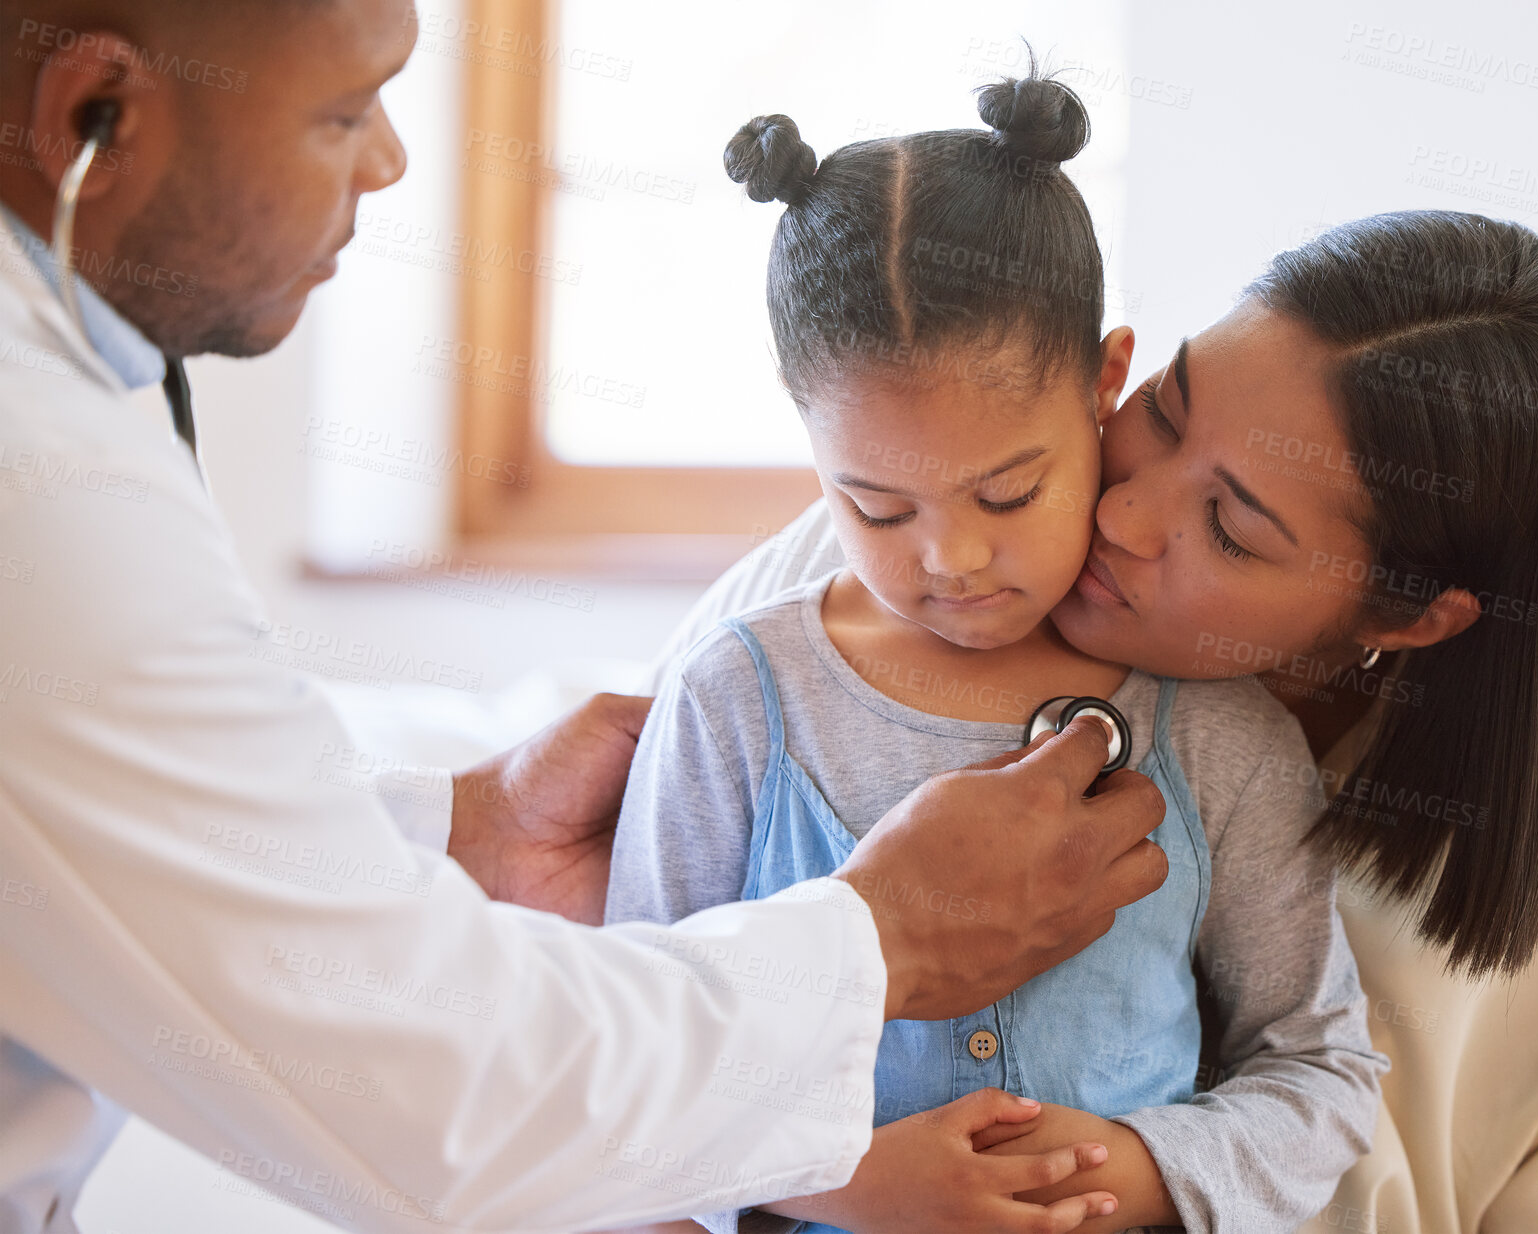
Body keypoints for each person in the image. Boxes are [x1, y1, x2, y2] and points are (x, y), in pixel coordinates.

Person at [0, 3, 1174, 1230]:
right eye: (343, 111)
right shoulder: (34, 491)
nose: (392, 158)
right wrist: (881, 940)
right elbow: (441, 1108)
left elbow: (144, 808)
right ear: (99, 111)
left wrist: (461, 825)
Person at [650, 209, 1538, 1234]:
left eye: (1231, 529)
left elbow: (1327, 1098)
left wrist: (1119, 1173)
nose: (1122, 514)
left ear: (1403, 614)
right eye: (1164, 408)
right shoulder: (900, 562)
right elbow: (600, 1050)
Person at [606, 79, 1387, 1234]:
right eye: (875, 508)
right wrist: (842, 1179)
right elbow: (620, 1062)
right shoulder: (734, 702)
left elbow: (1321, 1073)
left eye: (1010, 490)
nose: (953, 557)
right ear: (804, 427)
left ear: (1105, 380)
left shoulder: (1213, 733)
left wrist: (1129, 1168)